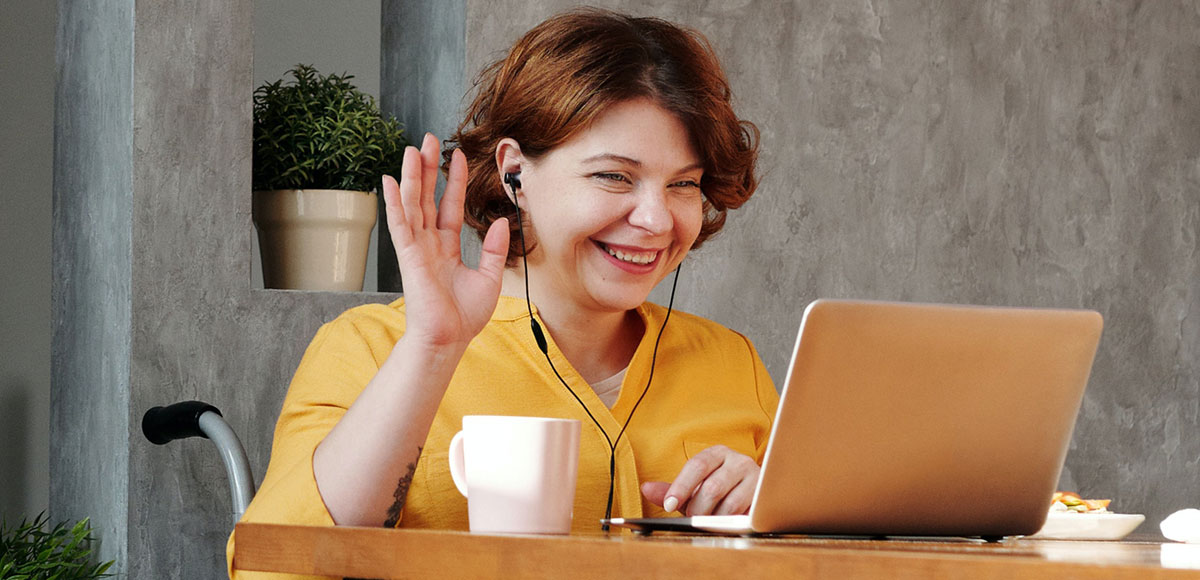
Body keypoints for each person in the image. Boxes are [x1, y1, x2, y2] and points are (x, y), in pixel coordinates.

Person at [228, 7, 777, 577]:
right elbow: (275, 564)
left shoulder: (732, 364)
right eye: (613, 175)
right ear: (516, 172)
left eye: (683, 184)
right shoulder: (368, 350)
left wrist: (775, 520)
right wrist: (431, 349)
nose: (656, 219)